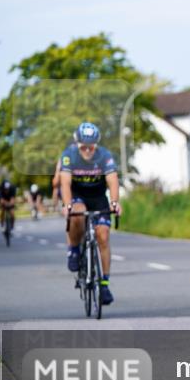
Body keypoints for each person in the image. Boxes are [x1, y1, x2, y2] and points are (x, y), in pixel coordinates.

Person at [59, 122, 122, 305]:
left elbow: (112, 181)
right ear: (77, 144)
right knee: (78, 212)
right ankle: (74, 249)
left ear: (97, 144)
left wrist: (115, 202)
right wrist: (67, 204)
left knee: (103, 235)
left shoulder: (104, 156)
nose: (87, 150)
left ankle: (104, 284)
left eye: (91, 147)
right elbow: (65, 183)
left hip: (98, 196)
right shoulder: (69, 155)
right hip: (78, 195)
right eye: (83, 147)